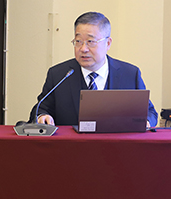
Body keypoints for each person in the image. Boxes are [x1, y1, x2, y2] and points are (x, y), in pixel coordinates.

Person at [30, 12, 158, 127]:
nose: (83, 49)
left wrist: (145, 122)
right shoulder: (59, 74)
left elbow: (150, 112)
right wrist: (42, 116)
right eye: (78, 41)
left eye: (91, 41)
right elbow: (40, 109)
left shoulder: (129, 74)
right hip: (72, 145)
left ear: (108, 43)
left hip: (117, 145)